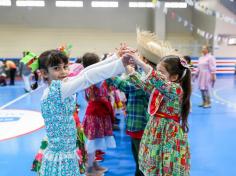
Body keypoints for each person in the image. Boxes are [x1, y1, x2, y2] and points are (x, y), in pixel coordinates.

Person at [32, 49, 127, 176]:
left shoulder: (59, 86)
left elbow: (84, 72)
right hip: (62, 157)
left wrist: (115, 58)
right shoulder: (58, 91)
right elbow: (87, 78)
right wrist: (120, 63)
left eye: (65, 67)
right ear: (44, 73)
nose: (64, 72)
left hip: (66, 151)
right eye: (56, 68)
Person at [118, 30, 191, 175]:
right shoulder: (161, 88)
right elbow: (142, 83)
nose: (157, 75)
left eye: (161, 72)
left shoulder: (175, 90)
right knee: (154, 164)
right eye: (157, 71)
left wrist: (139, 61)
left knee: (166, 166)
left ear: (175, 76)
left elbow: (156, 80)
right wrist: (126, 65)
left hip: (167, 134)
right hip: (155, 130)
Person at [106, 64, 149, 176]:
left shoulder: (147, 80)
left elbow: (128, 87)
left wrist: (114, 75)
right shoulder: (143, 75)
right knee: (137, 155)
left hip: (141, 123)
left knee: (141, 158)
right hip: (136, 122)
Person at [82, 52, 116, 176]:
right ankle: (89, 169)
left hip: (100, 113)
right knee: (92, 142)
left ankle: (94, 164)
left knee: (96, 142)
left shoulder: (96, 76)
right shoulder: (92, 76)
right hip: (95, 114)